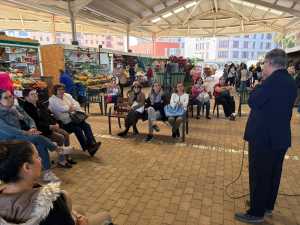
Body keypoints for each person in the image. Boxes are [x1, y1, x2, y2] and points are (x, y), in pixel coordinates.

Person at [235, 49, 297, 224]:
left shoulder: (271, 82)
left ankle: (256, 212)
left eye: (264, 63)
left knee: (259, 174)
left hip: (264, 137)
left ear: (270, 63)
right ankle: (265, 205)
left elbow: (253, 101)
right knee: (273, 174)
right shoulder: (290, 82)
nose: (262, 67)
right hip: (280, 137)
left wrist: (258, 86)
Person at [0, 140, 114, 225]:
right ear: (27, 167)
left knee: (79, 210)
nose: (41, 160)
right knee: (105, 216)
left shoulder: (4, 192)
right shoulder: (49, 203)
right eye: (37, 157)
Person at [0, 89, 62, 182]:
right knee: (37, 137)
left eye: (11, 96)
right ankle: (56, 149)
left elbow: (29, 119)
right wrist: (27, 132)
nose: (10, 99)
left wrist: (33, 127)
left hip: (20, 135)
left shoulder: (15, 108)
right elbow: (9, 130)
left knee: (40, 144)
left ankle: (47, 173)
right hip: (8, 141)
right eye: (6, 98)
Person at [22, 88, 76, 167]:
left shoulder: (39, 104)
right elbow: (35, 123)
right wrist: (49, 126)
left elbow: (49, 114)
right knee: (60, 137)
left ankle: (66, 156)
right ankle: (62, 160)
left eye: (36, 93)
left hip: (49, 127)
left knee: (65, 134)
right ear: (26, 98)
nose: (36, 95)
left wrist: (55, 123)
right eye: (32, 94)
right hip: (40, 131)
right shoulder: (26, 108)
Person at [49, 84, 101, 157]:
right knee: (78, 129)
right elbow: (61, 108)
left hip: (75, 118)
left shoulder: (67, 95)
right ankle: (88, 147)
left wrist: (71, 108)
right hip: (64, 122)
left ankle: (92, 144)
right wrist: (69, 108)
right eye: (59, 90)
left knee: (86, 125)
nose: (62, 91)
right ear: (55, 91)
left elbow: (76, 104)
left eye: (63, 89)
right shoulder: (52, 100)